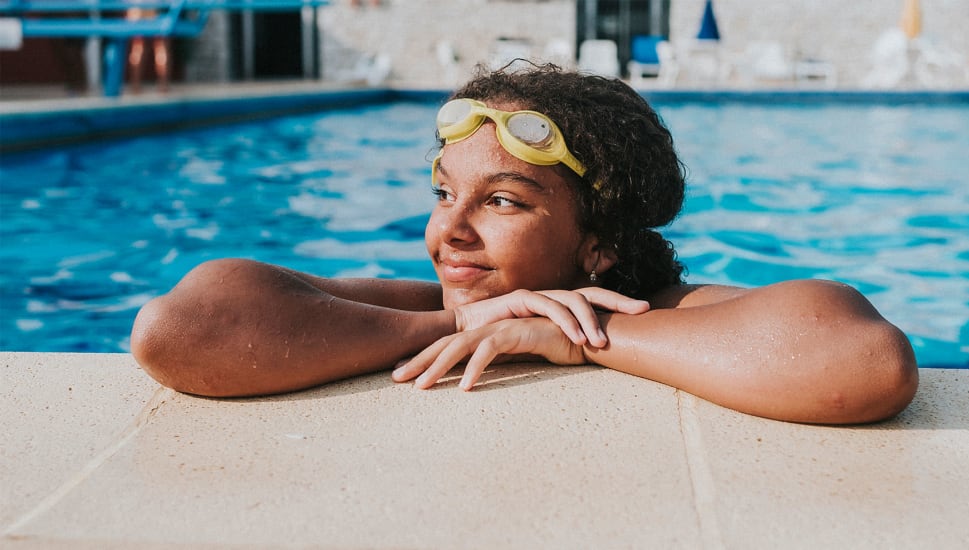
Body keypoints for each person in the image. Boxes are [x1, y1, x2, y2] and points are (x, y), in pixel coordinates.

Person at [130, 64, 918, 425]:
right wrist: (465, 325)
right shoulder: (433, 304)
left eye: (502, 200)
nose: (450, 230)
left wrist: (581, 338)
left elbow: (861, 364)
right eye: (445, 193)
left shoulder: (664, 311)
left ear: (600, 245)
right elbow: (178, 331)